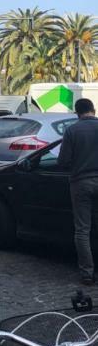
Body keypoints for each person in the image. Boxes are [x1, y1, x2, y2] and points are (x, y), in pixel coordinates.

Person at [58, 98, 98, 284]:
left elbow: (63, 161)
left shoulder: (72, 130)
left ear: (77, 112)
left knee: (83, 230)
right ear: (94, 110)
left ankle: (87, 273)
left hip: (81, 183)